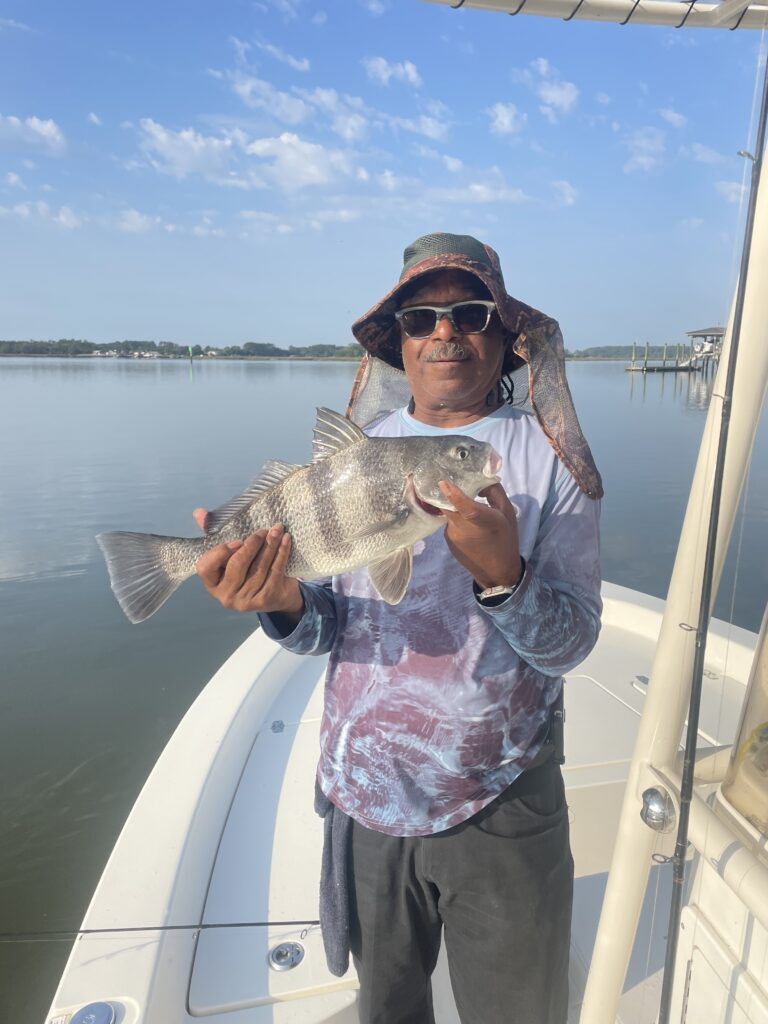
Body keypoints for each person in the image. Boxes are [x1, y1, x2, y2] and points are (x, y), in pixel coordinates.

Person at [195, 232, 602, 1024]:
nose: (445, 332)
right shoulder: (354, 458)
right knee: (386, 1010)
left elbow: (573, 644)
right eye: (421, 318)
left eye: (470, 312)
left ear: (504, 332)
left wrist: (504, 579)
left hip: (501, 800)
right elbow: (330, 632)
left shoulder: (553, 462)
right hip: (363, 800)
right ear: (400, 341)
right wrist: (280, 601)